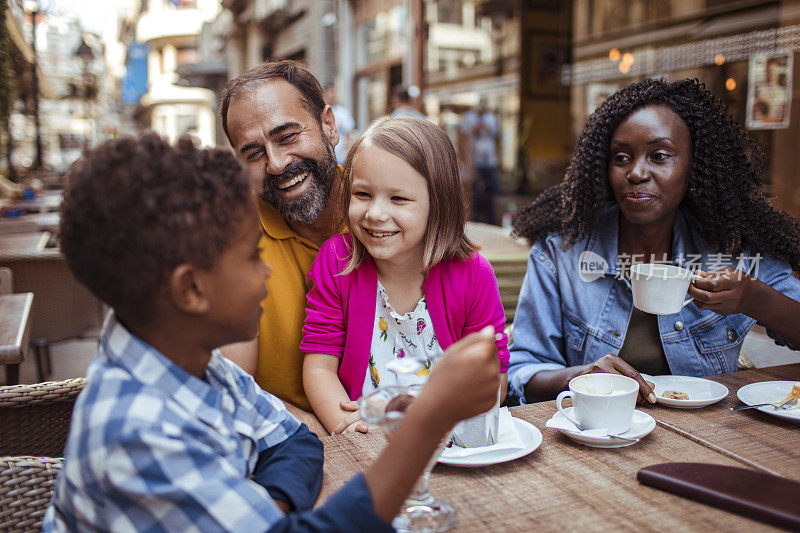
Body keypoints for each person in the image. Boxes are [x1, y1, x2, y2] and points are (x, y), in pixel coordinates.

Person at [43, 132, 502, 531]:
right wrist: (426, 423)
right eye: (249, 255)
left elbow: (294, 442)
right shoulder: (139, 432)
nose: (267, 271)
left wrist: (268, 509)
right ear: (192, 288)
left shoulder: (201, 369)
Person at [508, 78, 800, 405]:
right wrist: (581, 375)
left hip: (710, 431)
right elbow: (523, 372)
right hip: (598, 434)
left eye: (659, 156)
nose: (635, 173)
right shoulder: (561, 251)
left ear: (694, 165)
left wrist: (753, 299)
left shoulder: (731, 248)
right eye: (621, 158)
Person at [302, 116, 509, 434]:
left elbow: (492, 377)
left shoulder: (473, 274)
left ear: (438, 204)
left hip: (449, 440)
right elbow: (319, 366)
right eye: (363, 194)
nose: (375, 214)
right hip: (365, 438)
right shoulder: (337, 261)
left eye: (398, 198)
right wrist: (346, 427)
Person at [218, 60, 341, 421]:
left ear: (329, 126)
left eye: (287, 136)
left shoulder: (390, 210)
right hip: (295, 445)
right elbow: (235, 390)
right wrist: (319, 438)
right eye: (254, 153)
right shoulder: (231, 245)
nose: (275, 163)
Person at [460, 98, 500, 225]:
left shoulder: (491, 118)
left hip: (490, 161)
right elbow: (464, 136)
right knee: (475, 191)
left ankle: (490, 219)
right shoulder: (470, 117)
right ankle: (475, 218)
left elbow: (495, 134)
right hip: (475, 160)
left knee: (491, 191)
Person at [323, 84, 355, 164]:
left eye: (333, 93)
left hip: (341, 158)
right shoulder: (320, 112)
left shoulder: (343, 112)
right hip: (326, 158)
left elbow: (349, 135)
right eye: (328, 93)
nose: (331, 95)